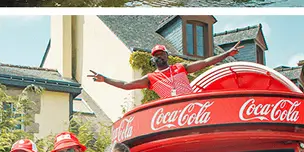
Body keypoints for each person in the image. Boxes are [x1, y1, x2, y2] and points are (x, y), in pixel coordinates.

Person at [90, 44, 238, 99]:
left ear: (167, 55)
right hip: (172, 111)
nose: (159, 56)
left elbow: (206, 62)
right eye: (155, 55)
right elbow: (126, 84)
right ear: (153, 59)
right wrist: (105, 79)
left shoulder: (180, 67)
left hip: (191, 104)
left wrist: (227, 54)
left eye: (161, 54)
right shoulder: (151, 77)